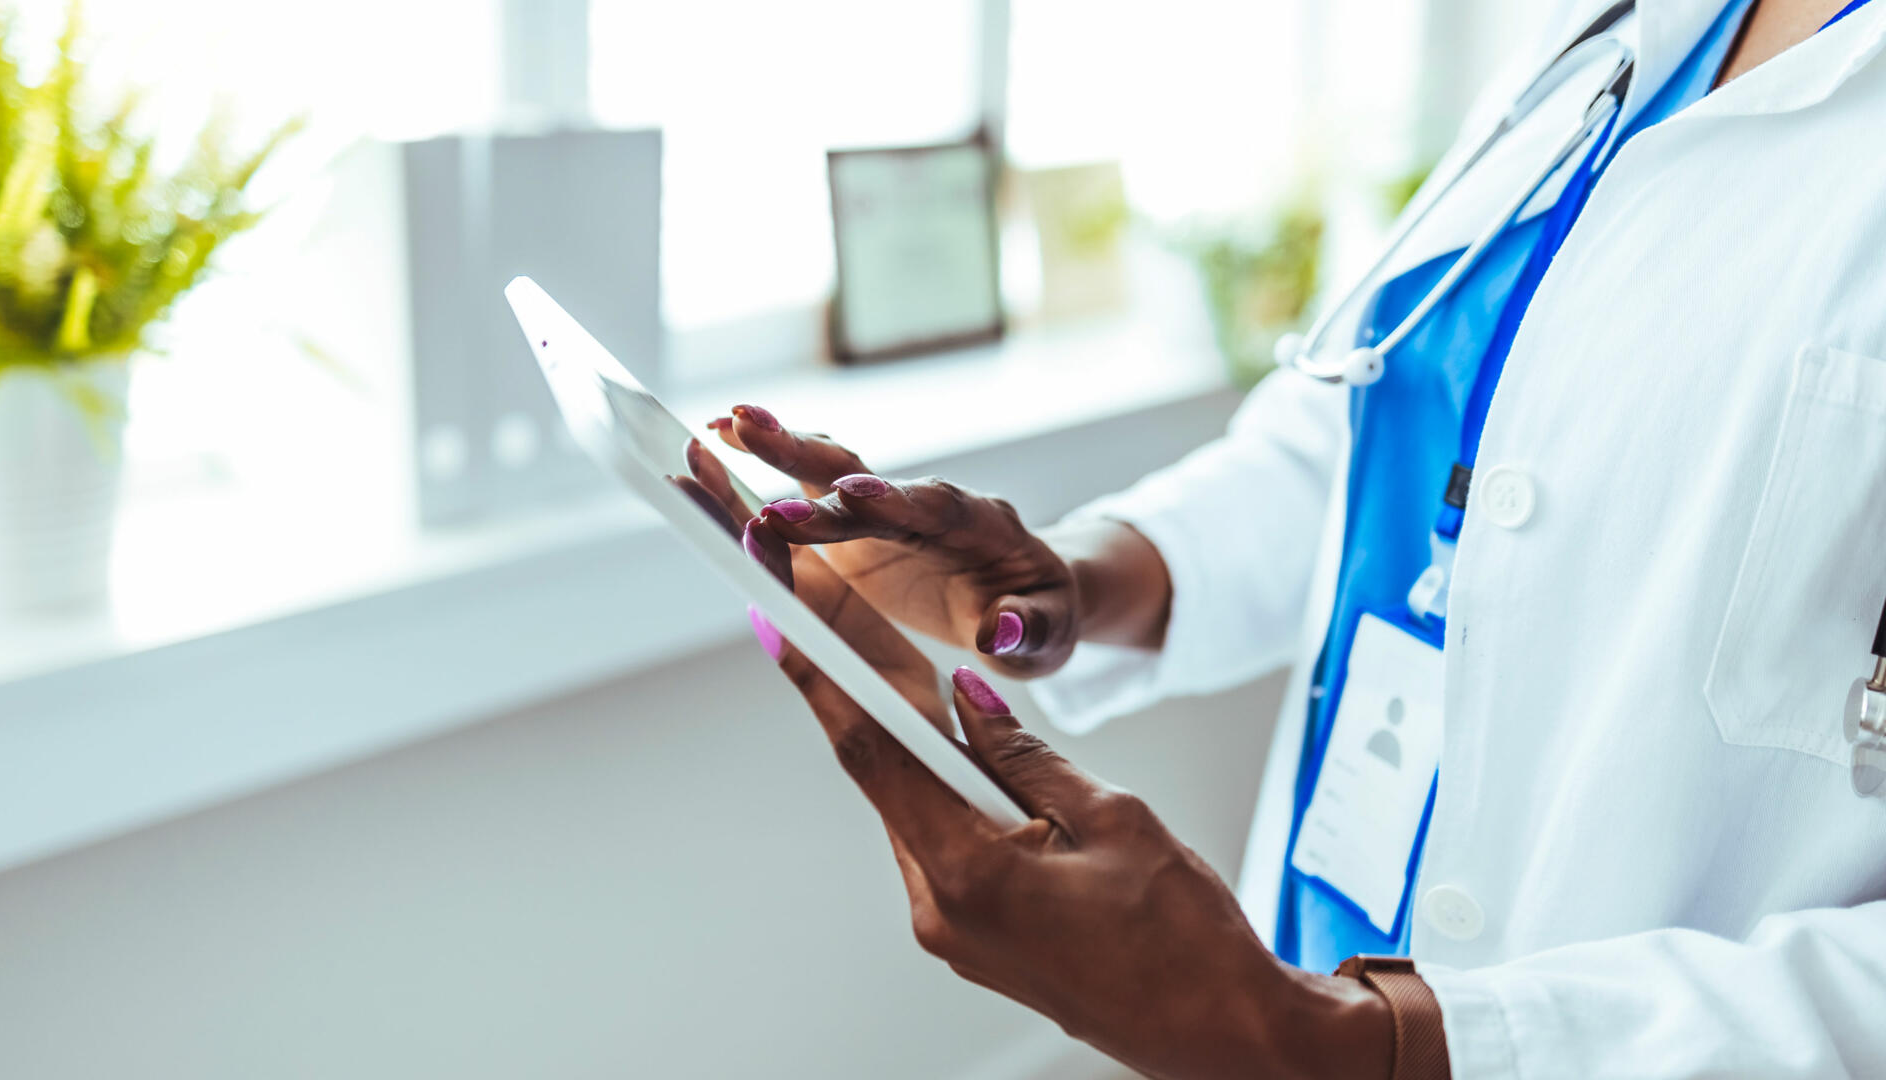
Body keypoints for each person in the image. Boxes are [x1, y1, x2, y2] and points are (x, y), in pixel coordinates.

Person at [708, 0, 1886, 1075]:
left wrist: (1333, 1042)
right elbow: (1369, 427)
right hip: (1322, 936)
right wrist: (1074, 579)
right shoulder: (1620, 32)